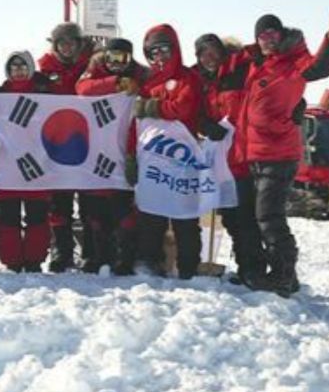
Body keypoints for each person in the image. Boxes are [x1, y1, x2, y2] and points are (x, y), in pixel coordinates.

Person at [239, 10, 329, 296]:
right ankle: (269, 271)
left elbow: (319, 68)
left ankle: (283, 276)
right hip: (253, 152)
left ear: (282, 35)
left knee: (269, 216)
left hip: (279, 153)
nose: (267, 40)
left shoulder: (293, 62)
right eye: (262, 36)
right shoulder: (257, 64)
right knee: (256, 216)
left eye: (273, 35)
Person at [131, 24, 225, 279]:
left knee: (185, 215)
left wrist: (150, 107)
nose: (159, 57)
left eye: (163, 50)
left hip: (183, 158)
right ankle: (150, 261)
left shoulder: (188, 78)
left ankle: (189, 266)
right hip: (154, 159)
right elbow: (133, 117)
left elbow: (182, 108)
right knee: (152, 213)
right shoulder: (147, 80)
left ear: (174, 49)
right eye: (153, 53)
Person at [193, 33, 268, 285]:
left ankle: (255, 269)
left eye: (214, 53)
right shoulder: (200, 80)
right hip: (220, 158)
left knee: (246, 214)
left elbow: (269, 86)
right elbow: (195, 111)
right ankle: (245, 266)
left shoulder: (241, 70)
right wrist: (205, 124)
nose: (209, 59)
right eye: (204, 55)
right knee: (230, 215)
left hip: (244, 156)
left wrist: (297, 104)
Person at [75, 37, 147, 274]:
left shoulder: (141, 75)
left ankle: (125, 258)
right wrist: (115, 83)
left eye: (122, 59)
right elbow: (82, 89)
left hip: (125, 151)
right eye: (112, 58)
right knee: (94, 213)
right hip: (95, 153)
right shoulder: (95, 71)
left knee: (124, 213)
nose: (117, 63)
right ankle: (97, 256)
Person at [37, 22, 94, 271]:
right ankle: (61, 251)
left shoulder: (92, 68)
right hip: (56, 145)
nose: (67, 48)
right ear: (55, 46)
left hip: (88, 145)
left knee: (89, 205)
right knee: (58, 205)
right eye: (62, 43)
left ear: (79, 45)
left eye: (72, 42)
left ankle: (91, 252)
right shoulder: (43, 72)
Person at [0, 51, 54, 273]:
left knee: (37, 217)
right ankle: (12, 258)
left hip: (38, 165)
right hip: (9, 165)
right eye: (14, 67)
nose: (18, 71)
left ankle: (34, 258)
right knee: (8, 217)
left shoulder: (45, 94)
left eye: (23, 67)